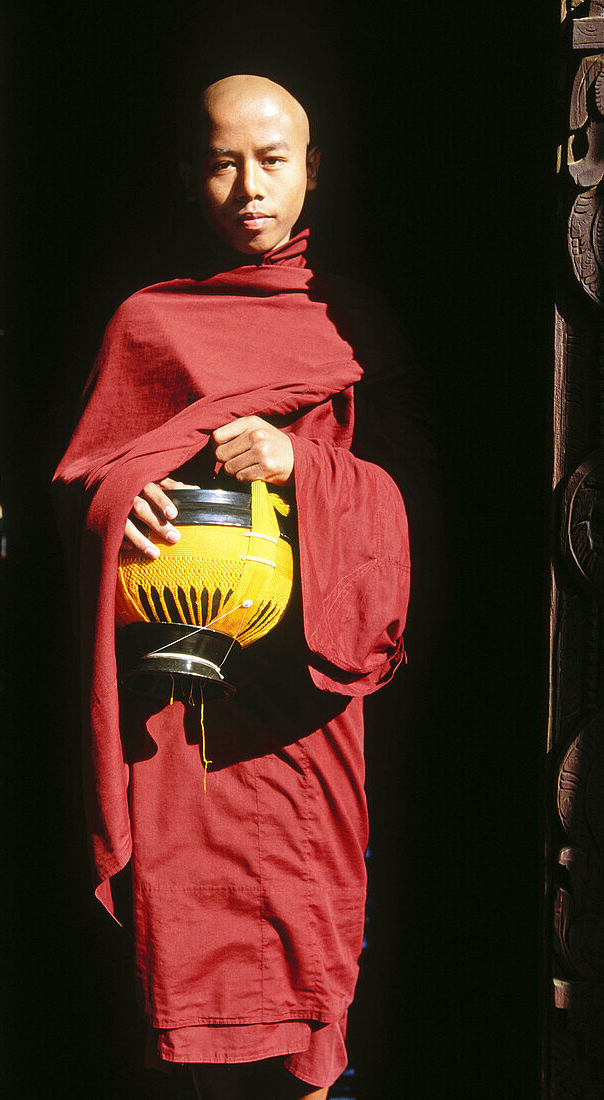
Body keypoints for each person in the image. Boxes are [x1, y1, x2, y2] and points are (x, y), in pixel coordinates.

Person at [53, 73, 418, 1100]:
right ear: (188, 174)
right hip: (176, 717)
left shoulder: (350, 328)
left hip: (302, 709)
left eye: (273, 160)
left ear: (313, 171)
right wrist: (120, 503)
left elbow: (418, 499)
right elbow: (82, 477)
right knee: (187, 960)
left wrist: (304, 466)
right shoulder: (147, 321)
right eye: (223, 161)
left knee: (309, 963)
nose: (249, 186)